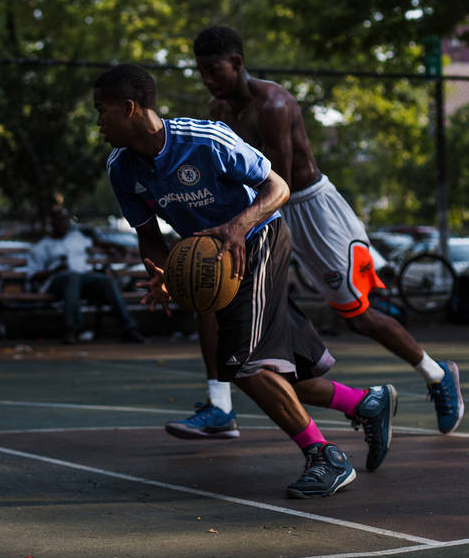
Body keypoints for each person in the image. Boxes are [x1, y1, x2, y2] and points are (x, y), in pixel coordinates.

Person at [94, 63, 398, 497]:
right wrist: (161, 272)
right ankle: (365, 403)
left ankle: (324, 456)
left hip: (258, 240)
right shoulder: (122, 167)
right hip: (216, 261)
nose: (98, 122)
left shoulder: (205, 140)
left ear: (128, 108)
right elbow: (149, 236)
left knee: (245, 365)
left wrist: (237, 226)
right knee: (284, 373)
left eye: (100, 110)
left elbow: (277, 189)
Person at [165, 26, 463, 440]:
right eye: (201, 72)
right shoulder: (219, 111)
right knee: (214, 292)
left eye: (213, 70)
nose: (207, 80)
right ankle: (220, 406)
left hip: (308, 208)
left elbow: (281, 183)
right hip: (259, 213)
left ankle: (436, 373)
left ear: (236, 62)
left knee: (357, 316)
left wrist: (243, 225)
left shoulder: (273, 104)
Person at [26, 207, 147, 344]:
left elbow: (97, 243)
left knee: (107, 281)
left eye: (65, 220)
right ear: (51, 223)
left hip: (83, 278)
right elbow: (33, 275)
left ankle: (128, 328)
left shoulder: (76, 237)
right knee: (71, 278)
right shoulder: (42, 246)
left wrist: (117, 248)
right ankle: (72, 329)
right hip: (56, 281)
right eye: (59, 220)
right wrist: (55, 270)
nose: (63, 224)